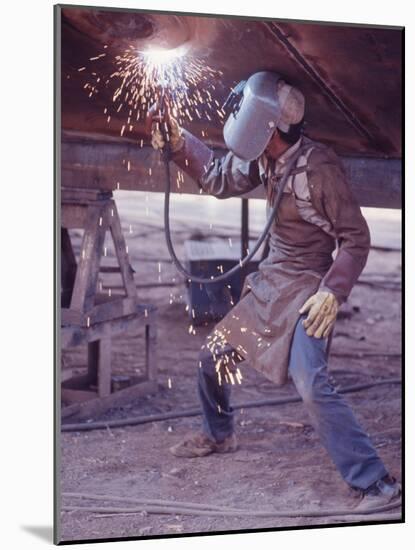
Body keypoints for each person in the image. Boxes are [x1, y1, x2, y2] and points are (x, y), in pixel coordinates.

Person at [148, 72, 400, 509]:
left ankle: (376, 483)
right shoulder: (263, 154)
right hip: (274, 278)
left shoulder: (318, 169)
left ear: (266, 129)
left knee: (310, 379)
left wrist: (333, 292)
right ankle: (219, 435)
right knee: (212, 357)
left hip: (309, 288)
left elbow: (356, 238)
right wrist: (178, 142)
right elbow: (216, 176)